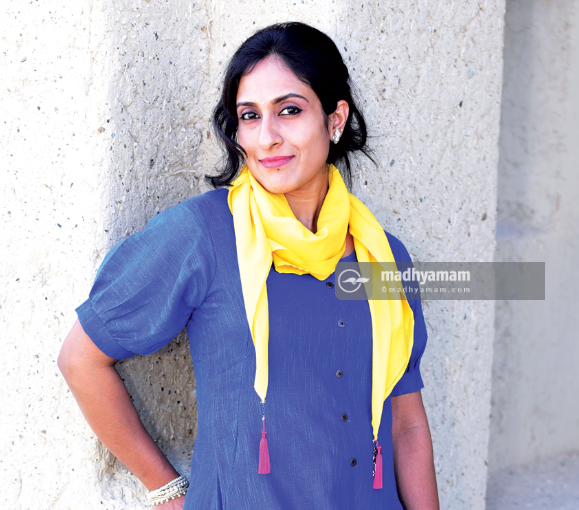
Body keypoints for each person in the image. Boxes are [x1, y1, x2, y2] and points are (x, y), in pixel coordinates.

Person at [58, 21, 440, 509]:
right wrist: (168, 492)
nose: (267, 137)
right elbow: (81, 359)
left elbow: (405, 422)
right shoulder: (205, 235)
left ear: (335, 119)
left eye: (289, 110)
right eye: (250, 116)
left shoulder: (383, 257)